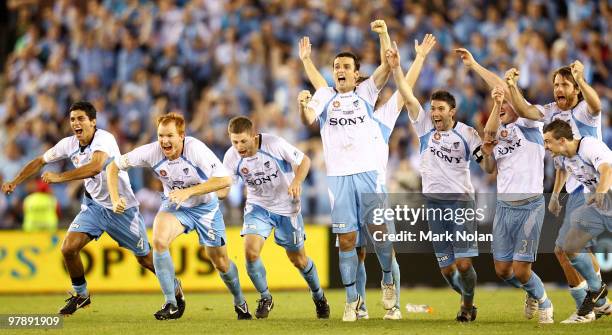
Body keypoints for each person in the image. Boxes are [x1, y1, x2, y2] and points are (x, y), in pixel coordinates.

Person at [298, 33, 436, 320]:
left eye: (347, 66)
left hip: (370, 180)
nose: (340, 70)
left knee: (382, 240)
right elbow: (308, 117)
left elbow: (399, 82)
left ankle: (389, 285)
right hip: (339, 180)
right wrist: (305, 79)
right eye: (337, 66)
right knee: (350, 244)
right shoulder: (325, 98)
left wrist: (408, 51)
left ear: (358, 75)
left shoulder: (375, 109)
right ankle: (354, 303)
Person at [1, 101, 184, 316]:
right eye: (72, 119)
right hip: (94, 206)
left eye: (80, 119)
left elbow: (95, 167)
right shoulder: (69, 144)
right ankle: (81, 294)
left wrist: (60, 177)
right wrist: (15, 180)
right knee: (68, 248)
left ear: (93, 122)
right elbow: (40, 160)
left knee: (144, 258)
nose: (75, 123)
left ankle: (175, 287)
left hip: (121, 208)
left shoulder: (104, 139)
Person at [106, 112, 249, 320]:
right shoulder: (151, 152)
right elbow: (113, 166)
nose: (164, 140)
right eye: (160, 135)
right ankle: (172, 301)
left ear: (182, 136)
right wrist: (114, 198)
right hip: (175, 205)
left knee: (221, 262)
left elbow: (225, 180)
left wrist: (189, 192)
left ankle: (240, 301)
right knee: (159, 241)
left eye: (170, 136)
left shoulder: (195, 149)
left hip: (205, 210)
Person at [503, 63, 611, 323]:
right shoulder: (551, 113)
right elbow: (526, 110)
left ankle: (593, 302)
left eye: (564, 84)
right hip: (582, 187)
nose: (558, 89)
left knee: (567, 249)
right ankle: (598, 302)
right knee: (569, 248)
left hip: (595, 189)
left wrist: (582, 79)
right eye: (556, 85)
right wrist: (511, 86)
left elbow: (596, 105)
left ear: (575, 89)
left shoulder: (584, 113)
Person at [389, 43, 489, 322]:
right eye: (432, 108)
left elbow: (487, 164)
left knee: (464, 263)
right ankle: (467, 299)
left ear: (452, 111)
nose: (434, 113)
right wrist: (400, 66)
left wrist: (490, 155)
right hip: (433, 205)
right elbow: (407, 96)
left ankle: (467, 306)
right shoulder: (424, 129)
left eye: (440, 109)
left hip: (460, 202)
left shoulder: (467, 135)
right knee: (447, 270)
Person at [221, 116, 330, 319]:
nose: (239, 146)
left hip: (287, 207)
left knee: (299, 260)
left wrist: (297, 181)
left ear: (253, 136)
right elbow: (227, 185)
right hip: (258, 206)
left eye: (243, 141)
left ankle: (319, 296)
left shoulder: (274, 144)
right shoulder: (231, 157)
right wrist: (217, 193)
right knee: (251, 253)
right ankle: (265, 297)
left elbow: (304, 160)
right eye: (234, 142)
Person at [479, 86, 553, 323]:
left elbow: (523, 107)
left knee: (521, 269)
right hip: (504, 207)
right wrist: (488, 153)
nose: (502, 109)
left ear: (517, 105)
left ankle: (545, 303)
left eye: (506, 104)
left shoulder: (530, 124)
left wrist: (508, 96)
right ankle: (531, 291)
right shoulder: (496, 133)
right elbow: (489, 169)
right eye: (499, 107)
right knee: (502, 271)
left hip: (530, 205)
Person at [543, 119, 611, 322]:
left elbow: (607, 169)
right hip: (598, 207)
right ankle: (597, 291)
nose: (545, 147)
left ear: (562, 140)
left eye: (548, 142)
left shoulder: (589, 145)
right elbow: (563, 170)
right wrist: (555, 196)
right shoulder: (561, 155)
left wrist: (600, 192)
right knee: (569, 246)